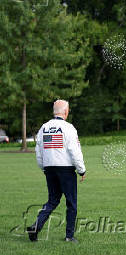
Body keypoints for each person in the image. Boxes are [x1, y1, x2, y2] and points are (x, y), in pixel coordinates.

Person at [27, 100, 86, 243]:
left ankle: (36, 227)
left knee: (52, 200)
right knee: (71, 202)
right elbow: (74, 151)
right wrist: (82, 170)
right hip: (65, 169)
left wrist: (43, 167)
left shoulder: (44, 127)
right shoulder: (68, 128)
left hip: (49, 168)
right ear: (65, 112)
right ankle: (69, 236)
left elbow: (39, 151)